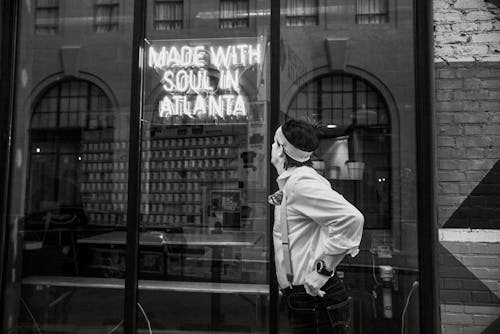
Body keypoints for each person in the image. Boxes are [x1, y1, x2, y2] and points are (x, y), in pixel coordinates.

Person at [269, 119, 364, 334]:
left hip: (315, 299)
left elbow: (352, 218)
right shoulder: (295, 182)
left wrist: (323, 271)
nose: (271, 148)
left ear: (283, 151)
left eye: (275, 143)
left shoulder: (301, 184)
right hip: (304, 298)